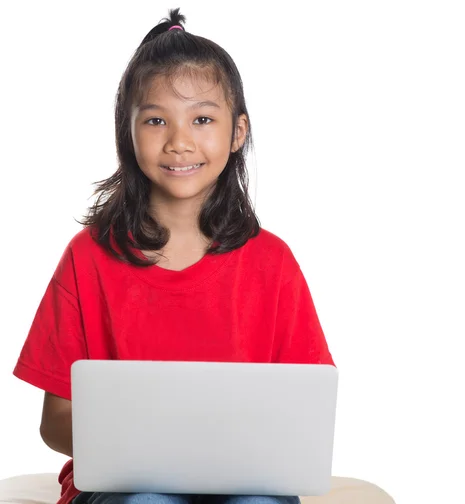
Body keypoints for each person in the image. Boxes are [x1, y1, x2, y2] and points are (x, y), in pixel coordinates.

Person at [13, 8, 334, 504]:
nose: (179, 141)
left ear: (238, 132)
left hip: (246, 483)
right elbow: (55, 424)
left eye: (202, 118)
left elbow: (306, 413)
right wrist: (138, 444)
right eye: (157, 120)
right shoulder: (87, 258)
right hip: (124, 487)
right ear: (128, 131)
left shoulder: (273, 263)